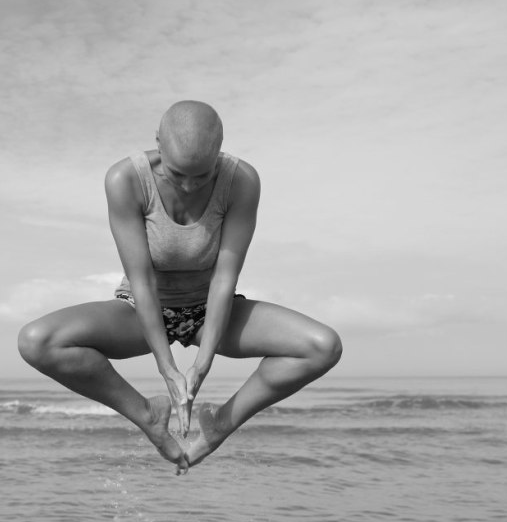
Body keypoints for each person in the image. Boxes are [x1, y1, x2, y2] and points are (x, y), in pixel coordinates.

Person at [18, 101, 342, 473]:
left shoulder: (241, 180)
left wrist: (203, 362)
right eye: (177, 174)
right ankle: (147, 416)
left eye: (201, 176)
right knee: (36, 341)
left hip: (211, 310)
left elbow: (225, 277)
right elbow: (140, 280)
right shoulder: (125, 179)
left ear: (219, 153)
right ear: (157, 141)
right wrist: (167, 368)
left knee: (322, 347)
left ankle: (220, 424)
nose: (189, 185)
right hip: (140, 309)